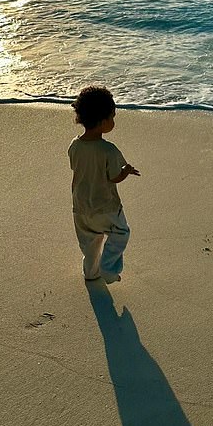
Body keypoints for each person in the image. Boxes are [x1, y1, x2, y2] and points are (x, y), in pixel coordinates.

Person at [68, 86, 140, 283]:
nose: (113, 121)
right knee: (121, 233)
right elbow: (114, 177)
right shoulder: (108, 150)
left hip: (81, 207)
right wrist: (125, 171)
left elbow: (77, 167)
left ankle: (91, 274)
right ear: (102, 121)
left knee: (90, 243)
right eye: (112, 117)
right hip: (106, 207)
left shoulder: (74, 145)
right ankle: (108, 268)